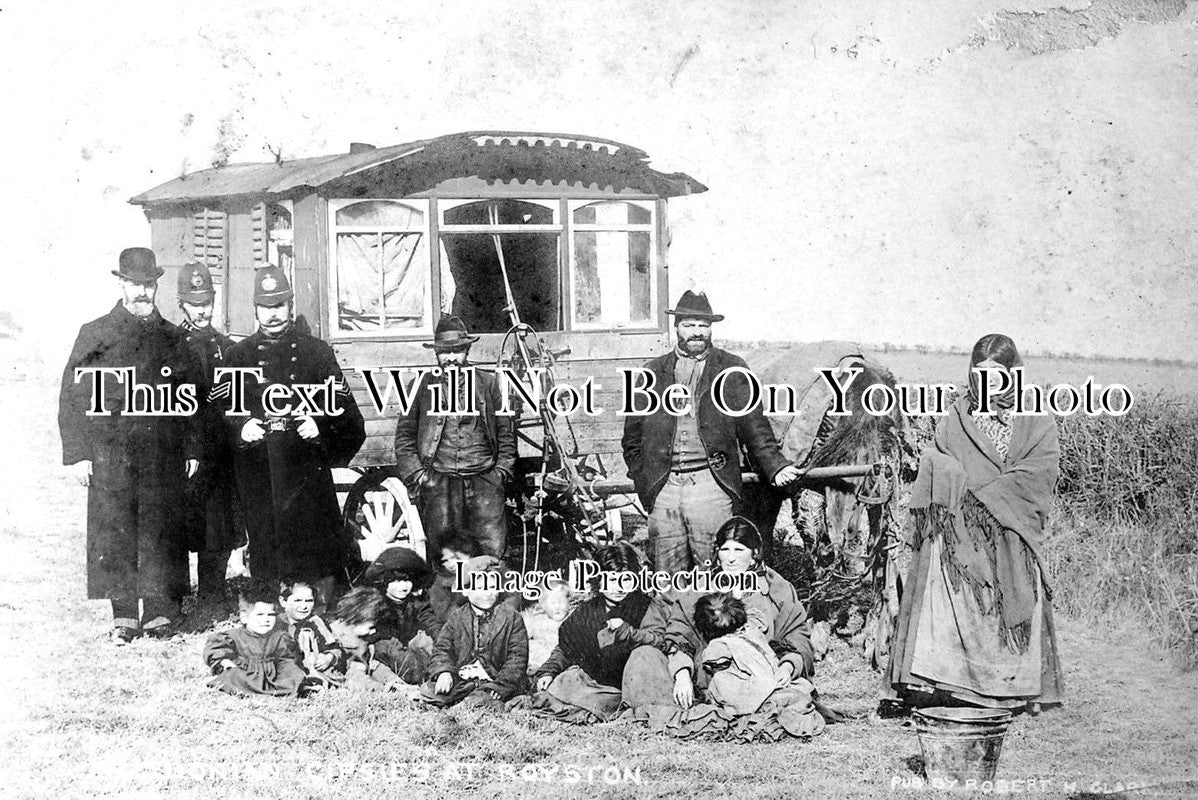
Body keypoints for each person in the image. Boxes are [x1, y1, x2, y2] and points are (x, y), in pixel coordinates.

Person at [885, 334, 1064, 713]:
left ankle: (1012, 687)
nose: (989, 383)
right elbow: (936, 456)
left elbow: (1040, 469)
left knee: (1011, 596)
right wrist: (956, 484)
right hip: (962, 530)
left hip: (1010, 527)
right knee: (952, 586)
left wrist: (990, 498)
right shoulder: (958, 415)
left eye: (997, 375)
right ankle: (957, 684)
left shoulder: (1034, 418)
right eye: (981, 374)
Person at [58, 247, 204, 643]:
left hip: (163, 452)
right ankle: (123, 614)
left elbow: (192, 395)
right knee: (116, 529)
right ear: (120, 283)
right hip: (111, 453)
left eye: (148, 284)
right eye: (134, 283)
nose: (142, 291)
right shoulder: (96, 333)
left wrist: (192, 448)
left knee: (160, 527)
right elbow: (72, 396)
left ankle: (159, 610)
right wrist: (78, 453)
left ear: (156, 285)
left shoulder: (174, 337)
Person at [621, 290, 801, 573]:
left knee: (717, 571)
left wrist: (775, 466)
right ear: (677, 326)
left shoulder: (731, 368)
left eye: (703, 326)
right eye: (690, 325)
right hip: (664, 489)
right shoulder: (652, 373)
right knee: (667, 577)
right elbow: (632, 439)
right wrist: (647, 483)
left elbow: (754, 426)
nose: (697, 332)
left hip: (710, 484)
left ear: (711, 329)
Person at [217, 265, 365, 599]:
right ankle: (270, 610)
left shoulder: (317, 353)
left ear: (291, 305)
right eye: (266, 306)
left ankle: (320, 611)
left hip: (306, 472)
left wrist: (321, 426)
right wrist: (242, 428)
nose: (273, 314)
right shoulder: (236, 357)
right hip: (259, 474)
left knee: (318, 550)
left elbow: (350, 416)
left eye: (280, 305)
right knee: (267, 549)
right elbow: (217, 417)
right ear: (255, 308)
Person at [623, 517, 814, 713]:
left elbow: (797, 635)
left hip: (755, 676)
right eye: (725, 549)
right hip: (701, 674)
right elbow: (681, 633)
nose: (731, 558)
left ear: (755, 554)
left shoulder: (777, 589)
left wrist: (789, 666)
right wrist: (681, 674)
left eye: (739, 550)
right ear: (717, 552)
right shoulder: (699, 587)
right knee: (644, 657)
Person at [393, 315, 517, 563]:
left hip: (485, 482)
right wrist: (418, 475)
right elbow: (404, 436)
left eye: (457, 351)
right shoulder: (420, 386)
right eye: (443, 352)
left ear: (467, 350)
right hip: (440, 482)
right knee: (445, 557)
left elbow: (506, 432)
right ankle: (449, 602)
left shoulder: (488, 383)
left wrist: (501, 471)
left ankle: (491, 600)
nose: (450, 358)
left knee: (492, 552)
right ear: (436, 353)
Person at [176, 262, 244, 619]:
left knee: (219, 529)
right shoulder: (170, 346)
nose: (201, 309)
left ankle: (212, 598)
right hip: (185, 452)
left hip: (221, 453)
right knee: (183, 528)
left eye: (206, 302)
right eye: (193, 302)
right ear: (181, 304)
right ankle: (174, 600)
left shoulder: (227, 348)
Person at [531, 543, 657, 722]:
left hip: (630, 684)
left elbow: (659, 642)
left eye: (626, 579)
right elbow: (567, 647)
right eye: (612, 580)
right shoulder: (588, 610)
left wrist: (628, 632)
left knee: (590, 703)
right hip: (593, 679)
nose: (619, 587)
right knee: (559, 688)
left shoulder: (645, 607)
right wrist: (548, 671)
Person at [693, 593, 825, 738]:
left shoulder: (719, 645)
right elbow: (758, 617)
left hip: (756, 692)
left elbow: (711, 660)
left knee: (721, 680)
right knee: (790, 697)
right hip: (773, 681)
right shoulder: (752, 629)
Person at [419, 556, 529, 709]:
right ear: (466, 591)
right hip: (465, 678)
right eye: (481, 588)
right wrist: (444, 672)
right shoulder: (457, 617)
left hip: (495, 680)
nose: (488, 593)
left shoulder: (511, 617)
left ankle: (468, 705)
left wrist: (501, 686)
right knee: (428, 690)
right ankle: (465, 699)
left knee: (485, 698)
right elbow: (442, 648)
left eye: (493, 587)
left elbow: (517, 658)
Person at [202, 581, 307, 697]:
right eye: (260, 615)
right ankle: (254, 690)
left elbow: (288, 658)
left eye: (271, 615)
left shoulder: (279, 637)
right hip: (245, 674)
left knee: (293, 673)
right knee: (233, 676)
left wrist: (291, 668)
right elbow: (216, 651)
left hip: (273, 675)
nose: (266, 620)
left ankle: (275, 689)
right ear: (244, 617)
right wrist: (225, 662)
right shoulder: (233, 636)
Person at [361, 546, 440, 684]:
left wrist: (443, 640)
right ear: (384, 582)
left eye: (407, 580)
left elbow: (431, 621)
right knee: (388, 647)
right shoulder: (376, 603)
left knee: (427, 641)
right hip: (382, 650)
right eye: (396, 581)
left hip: (407, 649)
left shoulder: (415, 603)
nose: (404, 587)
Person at [277, 578, 343, 682]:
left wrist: (329, 658)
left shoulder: (316, 622)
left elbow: (334, 646)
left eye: (309, 601)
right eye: (297, 600)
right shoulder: (276, 624)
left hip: (313, 669)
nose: (303, 606)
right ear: (283, 602)